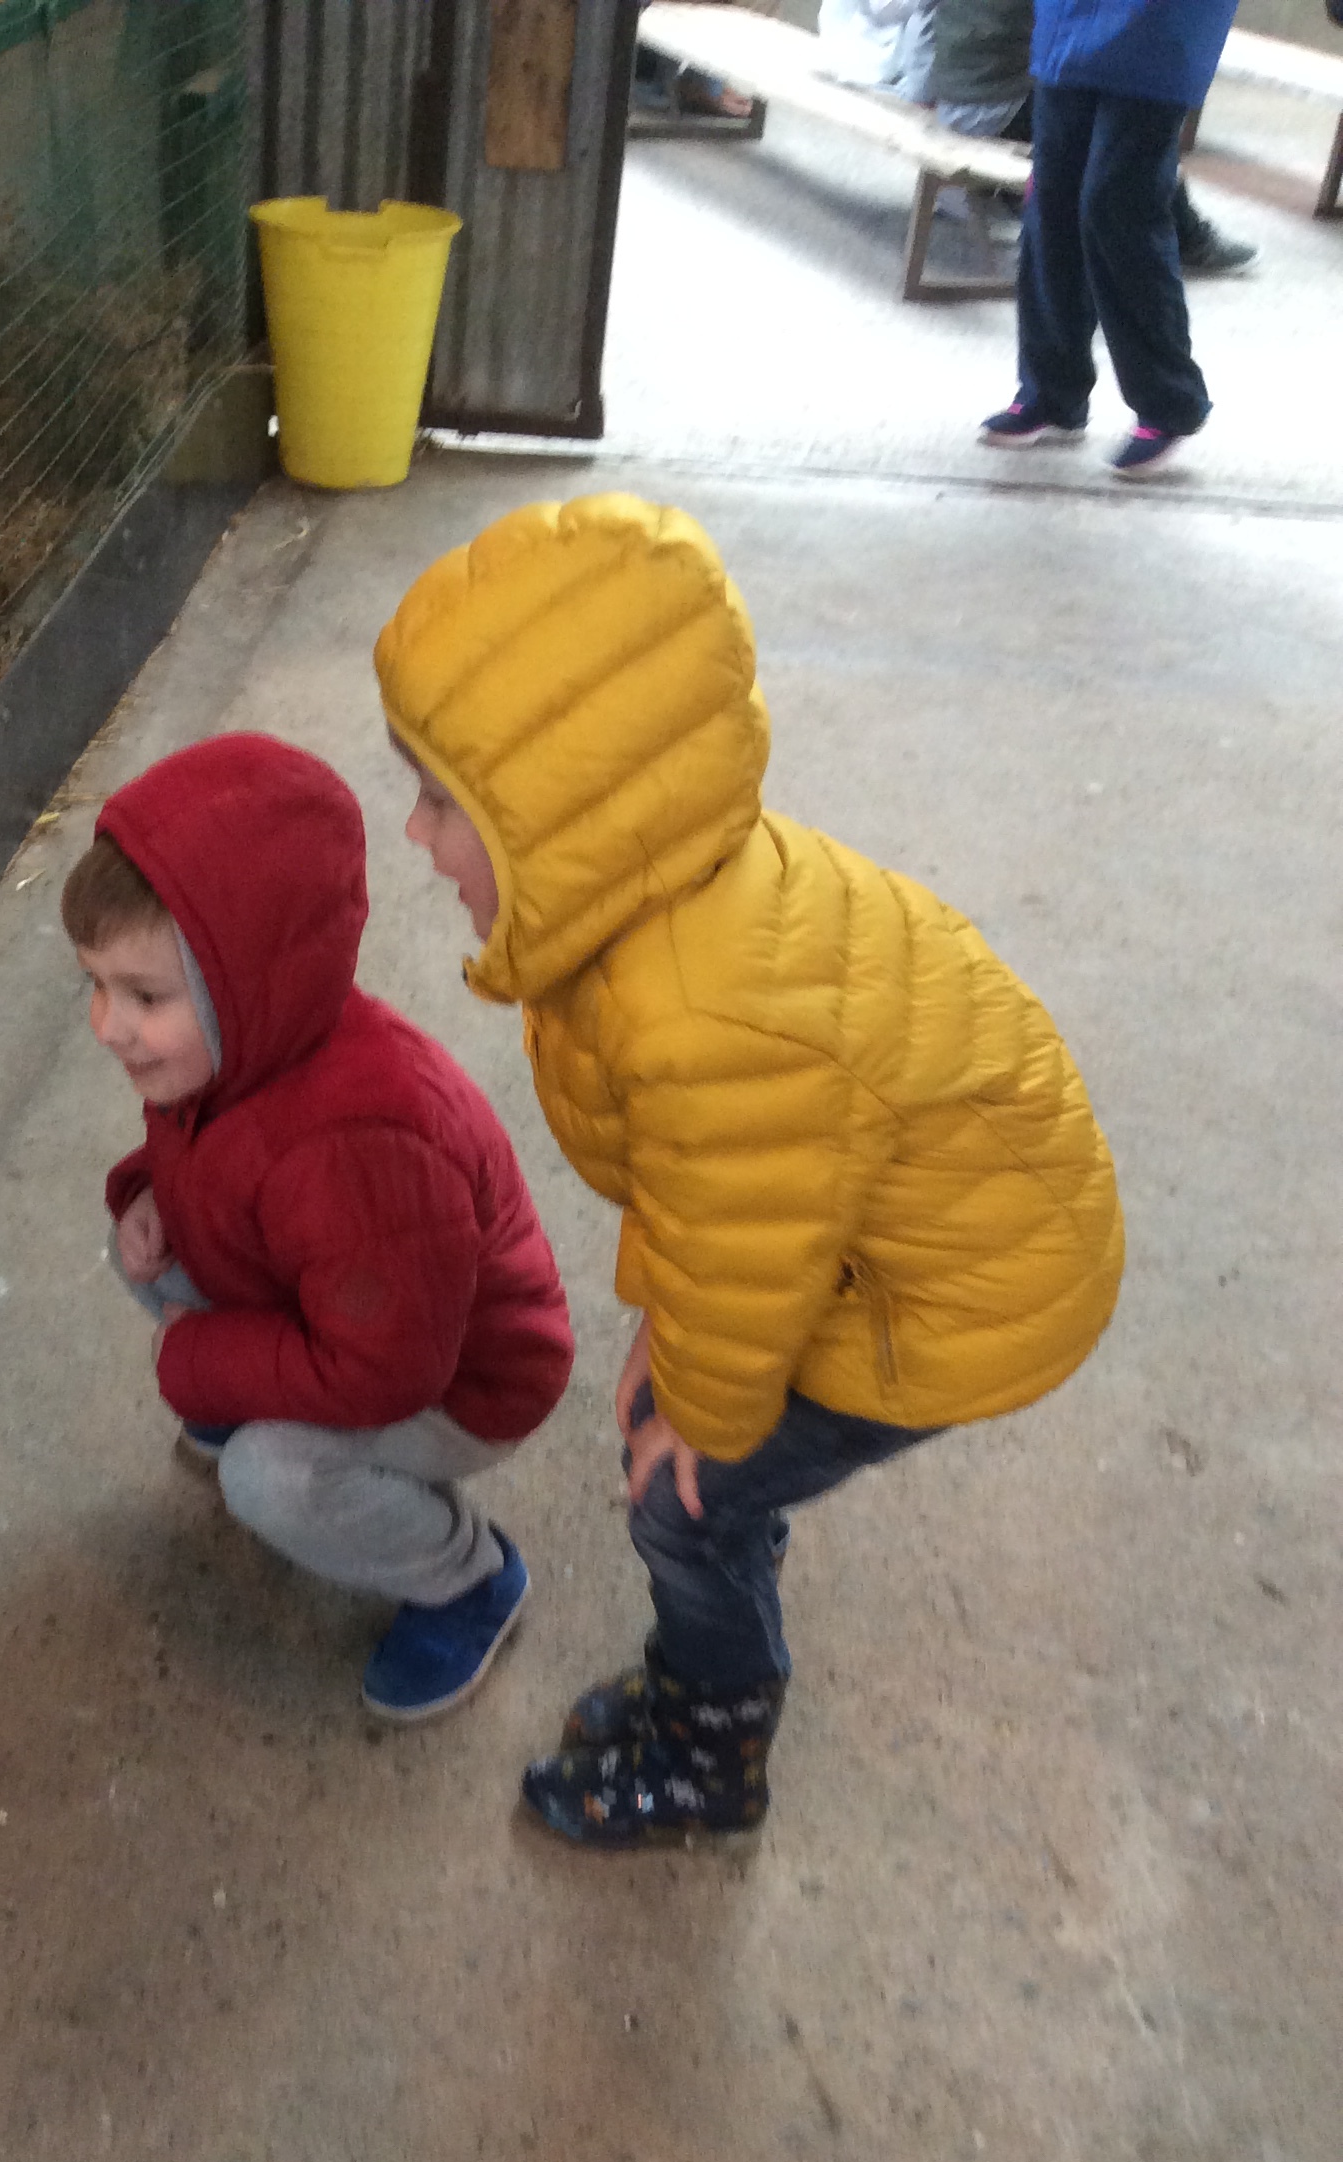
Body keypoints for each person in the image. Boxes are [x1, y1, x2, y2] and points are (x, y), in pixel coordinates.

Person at [375, 495, 1124, 1849]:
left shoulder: (701, 1014)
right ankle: (724, 1575)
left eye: (441, 802)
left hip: (966, 1288)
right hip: (885, 1222)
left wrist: (708, 1415)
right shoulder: (646, 907)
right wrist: (670, 1327)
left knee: (679, 1500)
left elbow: (746, 1229)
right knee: (683, 1426)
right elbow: (715, 1193)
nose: (415, 837)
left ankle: (709, 1751)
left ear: (565, 817)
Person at [64, 732, 575, 1720]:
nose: (106, 1025)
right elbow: (200, 1154)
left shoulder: (363, 1145)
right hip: (345, 1310)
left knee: (272, 1478)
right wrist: (148, 1193)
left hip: (457, 1381)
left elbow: (386, 1372)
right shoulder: (238, 1047)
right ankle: (246, 1398)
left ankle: (467, 1577)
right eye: (96, 984)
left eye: (144, 996)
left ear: (246, 984)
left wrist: (200, 1359)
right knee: (144, 1249)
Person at [979, 0, 1244, 475]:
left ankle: (1169, 403)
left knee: (1118, 205)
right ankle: (1052, 392)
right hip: (1069, 24)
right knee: (1052, 203)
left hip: (1160, 25)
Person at [929, 0, 1255, 272]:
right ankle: (1191, 239)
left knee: (1113, 123)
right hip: (997, 100)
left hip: (957, 98)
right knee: (1133, 129)